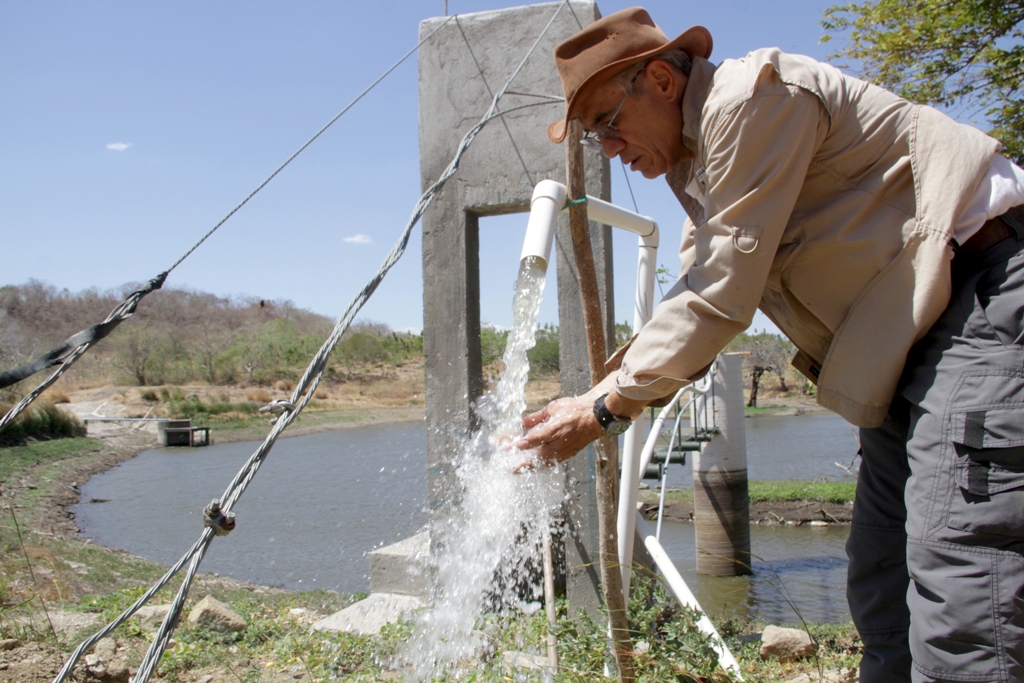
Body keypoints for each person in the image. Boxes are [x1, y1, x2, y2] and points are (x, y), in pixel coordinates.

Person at [515, 7, 1024, 683]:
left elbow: (721, 293)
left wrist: (604, 408)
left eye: (608, 123)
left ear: (663, 81)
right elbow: (692, 295)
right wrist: (594, 394)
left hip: (977, 305)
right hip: (905, 344)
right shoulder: (702, 165)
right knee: (881, 586)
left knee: (962, 588)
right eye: (592, 140)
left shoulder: (750, 101)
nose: (608, 149)